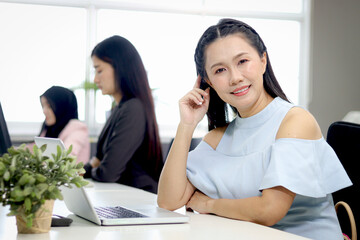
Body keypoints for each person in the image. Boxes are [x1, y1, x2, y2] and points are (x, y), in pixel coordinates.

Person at [157, 19, 352, 240]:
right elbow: (168, 201)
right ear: (209, 82)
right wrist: (187, 125)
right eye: (220, 70)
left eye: (242, 61)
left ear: (263, 60)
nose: (235, 77)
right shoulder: (217, 138)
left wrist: (209, 203)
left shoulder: (295, 121)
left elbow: (269, 211)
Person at [83, 35, 163, 194]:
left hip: (137, 198)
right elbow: (99, 160)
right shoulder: (120, 108)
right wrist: (90, 167)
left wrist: (93, 168)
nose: (95, 79)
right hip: (122, 195)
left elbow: (108, 173)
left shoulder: (133, 108)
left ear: (120, 67)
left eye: (99, 70)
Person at [36, 86, 90, 164]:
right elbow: (34, 149)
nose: (44, 111)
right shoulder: (50, 128)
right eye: (43, 106)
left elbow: (66, 156)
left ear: (61, 106)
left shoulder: (78, 128)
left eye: (49, 106)